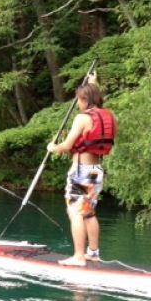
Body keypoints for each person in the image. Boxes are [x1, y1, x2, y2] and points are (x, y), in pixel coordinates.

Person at [47, 75, 116, 266]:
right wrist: (93, 82)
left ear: (84, 100)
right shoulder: (106, 115)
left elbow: (68, 145)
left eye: (79, 98)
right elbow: (94, 96)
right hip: (96, 171)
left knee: (75, 212)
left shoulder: (82, 118)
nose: (77, 102)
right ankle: (93, 253)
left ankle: (78, 256)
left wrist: (53, 147)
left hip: (81, 172)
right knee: (88, 212)